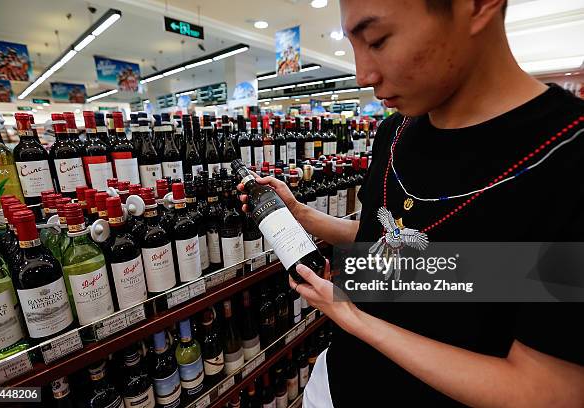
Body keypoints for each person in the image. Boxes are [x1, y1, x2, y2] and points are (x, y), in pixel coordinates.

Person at [238, 0, 584, 406]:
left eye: (378, 40)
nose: (362, 73)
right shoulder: (394, 131)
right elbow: (396, 243)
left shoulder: (568, 159)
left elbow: (546, 391)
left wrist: (353, 317)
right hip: (336, 383)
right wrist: (302, 215)